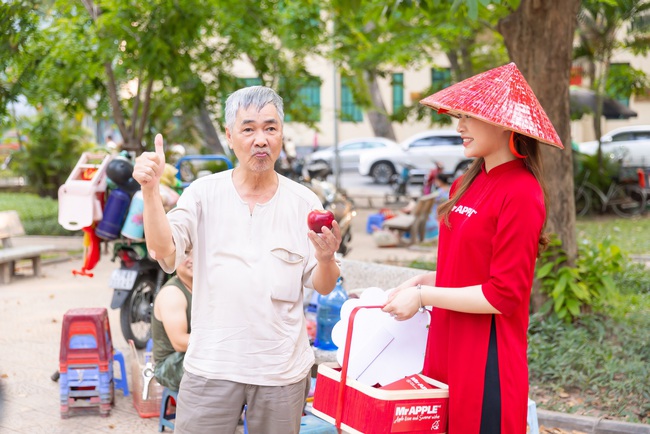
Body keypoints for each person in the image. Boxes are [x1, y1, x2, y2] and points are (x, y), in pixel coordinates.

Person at [132, 85, 342, 434]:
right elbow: (164, 249)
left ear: (281, 134)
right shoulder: (202, 194)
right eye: (249, 129)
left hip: (280, 372)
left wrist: (326, 258)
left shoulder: (305, 203)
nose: (261, 139)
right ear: (230, 136)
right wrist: (151, 192)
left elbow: (324, 284)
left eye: (270, 128)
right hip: (211, 366)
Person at [382, 63, 564, 434]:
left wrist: (423, 295)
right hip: (446, 345)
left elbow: (503, 295)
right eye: (459, 116)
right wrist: (420, 281)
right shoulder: (464, 184)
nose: (459, 126)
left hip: (486, 360)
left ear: (502, 122)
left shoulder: (522, 193)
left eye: (468, 117)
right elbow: (466, 273)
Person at [152, 254, 193, 392]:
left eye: (197, 252)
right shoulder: (172, 293)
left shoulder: (206, 288)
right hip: (171, 363)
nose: (192, 259)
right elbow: (180, 342)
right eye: (186, 253)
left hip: (199, 353)